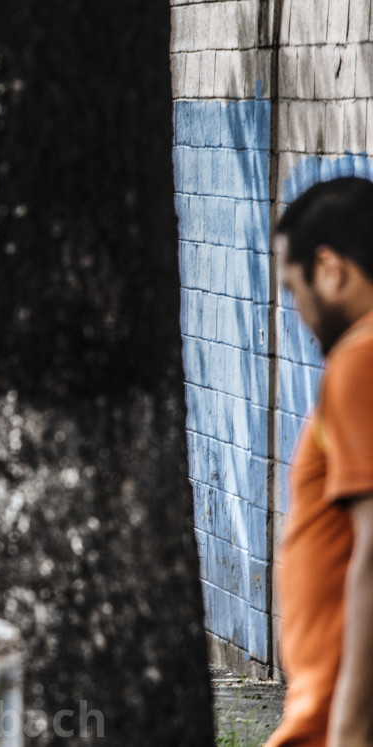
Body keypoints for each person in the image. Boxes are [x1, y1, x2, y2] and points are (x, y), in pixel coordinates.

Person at [267, 177, 373, 747]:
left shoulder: (361, 357)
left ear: (330, 269)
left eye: (294, 289)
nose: (299, 312)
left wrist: (350, 732)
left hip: (332, 722)